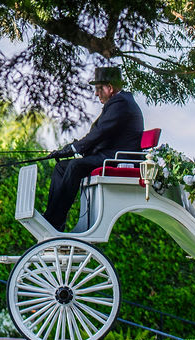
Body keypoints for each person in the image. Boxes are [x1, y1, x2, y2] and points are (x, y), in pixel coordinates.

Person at [43, 66, 144, 232]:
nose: (96, 94)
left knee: (75, 165)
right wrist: (71, 149)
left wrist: (72, 149)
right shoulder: (119, 103)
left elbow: (99, 133)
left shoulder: (120, 104)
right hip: (108, 155)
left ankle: (54, 220)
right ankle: (53, 218)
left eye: (98, 89)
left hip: (117, 158)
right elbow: (100, 135)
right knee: (61, 167)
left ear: (109, 88)